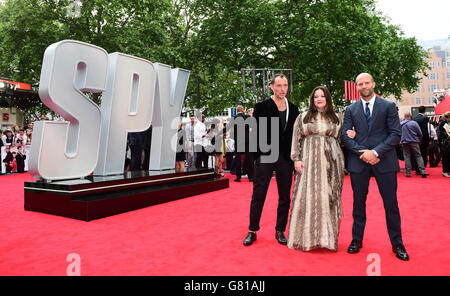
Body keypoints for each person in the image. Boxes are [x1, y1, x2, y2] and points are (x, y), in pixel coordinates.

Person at [341, 73, 409, 261]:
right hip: (359, 161)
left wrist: (376, 152)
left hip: (384, 161)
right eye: (360, 84)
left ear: (373, 84)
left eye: (366, 83)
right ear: (356, 87)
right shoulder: (350, 109)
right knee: (358, 204)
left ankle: (397, 243)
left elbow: (395, 134)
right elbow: (345, 136)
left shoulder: (388, 106)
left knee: (391, 205)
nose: (363, 86)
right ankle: (356, 239)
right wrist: (363, 152)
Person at [243, 73, 299, 246]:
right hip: (266, 156)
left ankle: (280, 230)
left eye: (285, 86)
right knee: (259, 194)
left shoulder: (294, 109)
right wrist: (257, 157)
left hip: (285, 159)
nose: (282, 89)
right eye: (279, 86)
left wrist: (295, 157)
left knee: (284, 196)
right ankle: (252, 230)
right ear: (272, 87)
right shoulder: (261, 107)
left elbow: (296, 135)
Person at [288, 86, 344, 252]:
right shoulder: (303, 117)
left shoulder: (337, 118)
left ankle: (327, 238)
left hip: (332, 162)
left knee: (329, 198)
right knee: (307, 198)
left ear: (327, 98)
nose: (319, 99)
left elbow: (341, 140)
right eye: (316, 97)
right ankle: (306, 239)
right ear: (312, 100)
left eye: (322, 96)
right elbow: (295, 138)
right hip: (309, 162)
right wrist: (296, 159)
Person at [400, 112, 427, 178]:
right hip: (414, 141)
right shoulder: (414, 123)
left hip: (405, 142)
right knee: (418, 156)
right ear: (410, 116)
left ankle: (408, 172)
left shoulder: (401, 124)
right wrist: (419, 140)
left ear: (404, 116)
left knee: (407, 157)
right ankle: (422, 171)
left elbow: (398, 134)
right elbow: (420, 134)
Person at [233, 105, 253, 182]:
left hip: (239, 140)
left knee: (238, 159)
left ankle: (238, 177)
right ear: (243, 110)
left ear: (237, 111)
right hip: (248, 140)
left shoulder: (235, 118)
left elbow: (234, 131)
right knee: (249, 158)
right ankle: (251, 177)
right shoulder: (248, 117)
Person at [438, 111, 450, 177]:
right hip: (445, 143)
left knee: (448, 157)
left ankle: (448, 170)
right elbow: (442, 134)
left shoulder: (448, 123)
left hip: (447, 143)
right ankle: (445, 171)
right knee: (445, 158)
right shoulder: (442, 123)